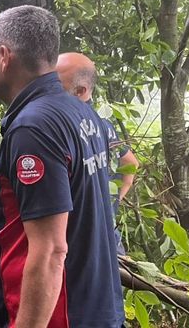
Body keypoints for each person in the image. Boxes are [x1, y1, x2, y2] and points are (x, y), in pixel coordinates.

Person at [0, 6, 124, 328]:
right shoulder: (82, 113)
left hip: (60, 316)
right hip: (98, 308)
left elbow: (50, 251)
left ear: (4, 56)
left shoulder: (33, 128)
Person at [56, 52, 140, 255]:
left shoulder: (69, 124)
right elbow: (131, 162)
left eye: (57, 85)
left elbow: (131, 163)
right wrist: (116, 197)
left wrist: (117, 197)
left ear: (80, 91)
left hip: (84, 235)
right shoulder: (104, 124)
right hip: (104, 229)